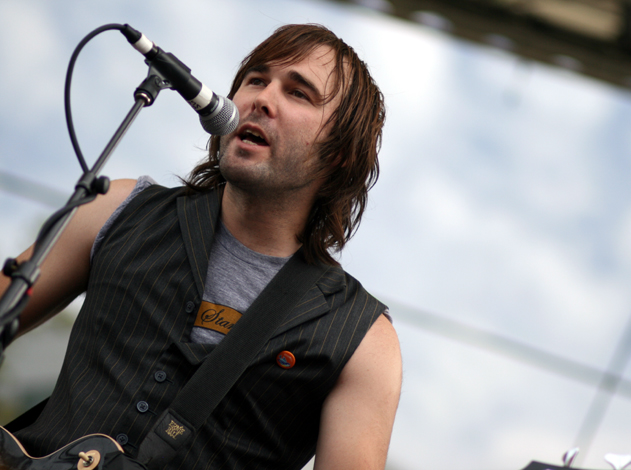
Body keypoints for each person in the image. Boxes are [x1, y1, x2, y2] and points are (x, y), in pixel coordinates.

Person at [1, 24, 402, 470]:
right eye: (255, 79)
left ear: (340, 153)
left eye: (298, 93)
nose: (262, 99)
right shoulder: (116, 208)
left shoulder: (364, 341)